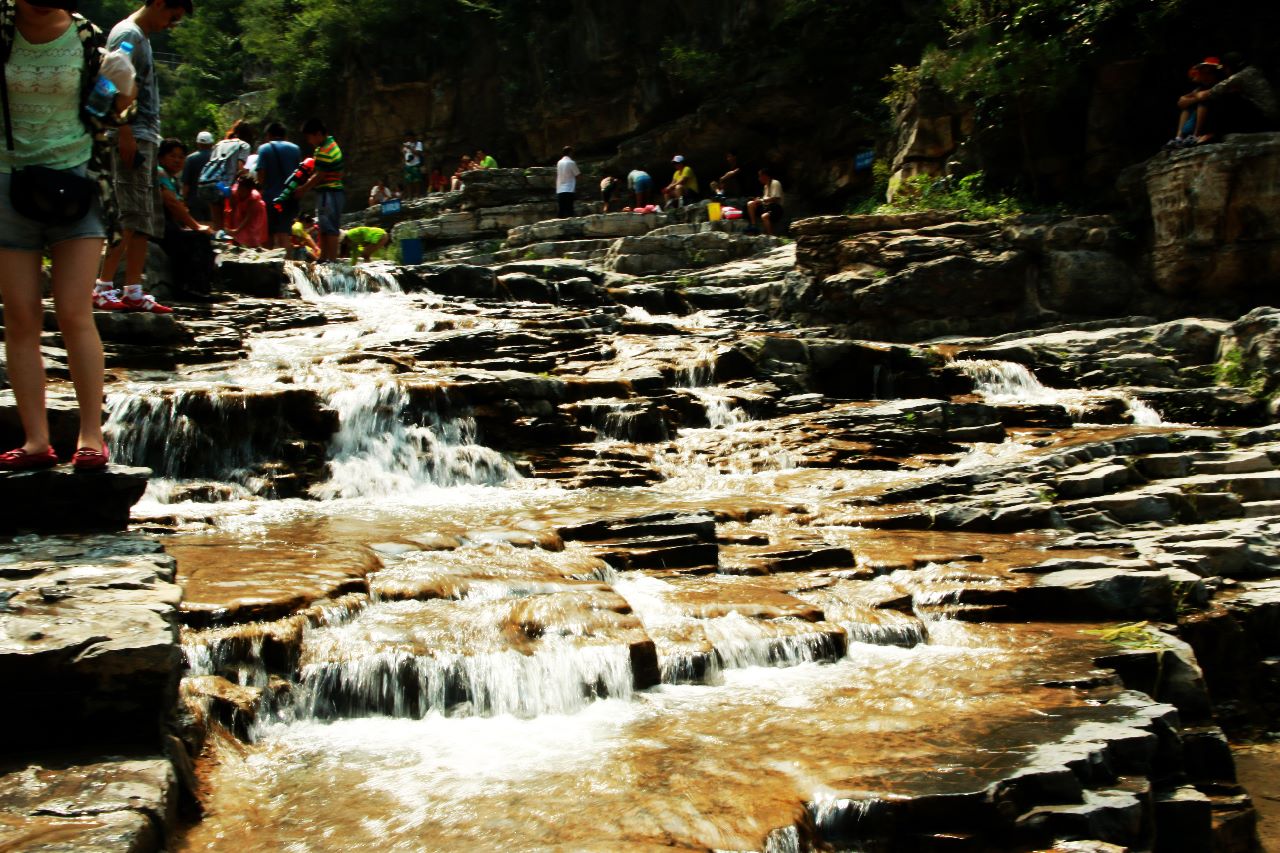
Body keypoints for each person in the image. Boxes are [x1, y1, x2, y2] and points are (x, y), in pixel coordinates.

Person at [0, 0, 128, 471]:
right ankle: (36, 441)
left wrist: (123, 87)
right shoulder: (3, 28)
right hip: (6, 183)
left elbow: (110, 113)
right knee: (20, 317)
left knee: (75, 311)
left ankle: (90, 438)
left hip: (78, 181)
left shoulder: (87, 38)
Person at [93, 0, 190, 315]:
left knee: (144, 217)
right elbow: (109, 79)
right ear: (159, 3)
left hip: (146, 136)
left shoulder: (141, 38)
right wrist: (123, 130)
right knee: (129, 215)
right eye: (172, 17)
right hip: (132, 135)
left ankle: (133, 289)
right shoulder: (128, 35)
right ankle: (103, 288)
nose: (171, 25)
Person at [155, 137, 215, 298]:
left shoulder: (172, 178)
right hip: (158, 226)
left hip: (167, 224)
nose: (177, 160)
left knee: (199, 238)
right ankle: (191, 287)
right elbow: (172, 203)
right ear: (161, 157)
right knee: (196, 238)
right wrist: (196, 226)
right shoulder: (159, 173)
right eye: (172, 156)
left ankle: (199, 287)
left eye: (181, 157)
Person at [1179, 52, 1279, 137]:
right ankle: (1181, 137)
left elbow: (1208, 94)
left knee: (1226, 98)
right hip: (1269, 117)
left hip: (1266, 120)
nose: (1225, 71)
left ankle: (1212, 134)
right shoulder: (1252, 71)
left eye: (1226, 68)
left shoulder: (1240, 77)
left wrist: (1192, 99)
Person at [295, 117, 343, 262]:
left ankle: (332, 260)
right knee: (323, 226)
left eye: (309, 137)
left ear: (317, 134)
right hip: (329, 192)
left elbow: (319, 175)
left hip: (330, 192)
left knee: (330, 227)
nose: (309, 141)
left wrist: (303, 189)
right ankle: (323, 257)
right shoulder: (330, 144)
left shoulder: (325, 150)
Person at [197, 119, 253, 231]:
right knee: (231, 223)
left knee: (217, 223)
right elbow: (240, 168)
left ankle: (217, 244)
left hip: (212, 184)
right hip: (228, 188)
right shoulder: (244, 145)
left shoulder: (219, 144)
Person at [254, 120, 300, 251]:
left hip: (270, 198)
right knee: (284, 234)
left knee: (267, 235)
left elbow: (261, 172)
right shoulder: (295, 149)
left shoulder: (264, 148)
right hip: (289, 199)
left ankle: (269, 267)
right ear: (285, 135)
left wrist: (261, 189)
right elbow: (300, 174)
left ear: (269, 135)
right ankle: (287, 268)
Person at [1167, 59, 1224, 149]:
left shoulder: (1221, 85)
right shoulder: (1201, 87)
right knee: (1187, 108)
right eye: (1203, 73)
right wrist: (1192, 99)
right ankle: (1179, 138)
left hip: (1216, 121)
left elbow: (1201, 97)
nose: (1205, 76)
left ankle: (1196, 135)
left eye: (1209, 73)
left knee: (1202, 103)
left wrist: (1193, 99)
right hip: (1200, 119)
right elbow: (1182, 101)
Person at [181, 129, 213, 222]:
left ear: (198, 144)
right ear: (211, 144)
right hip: (213, 200)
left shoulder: (190, 159)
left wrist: (184, 200)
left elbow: (186, 183)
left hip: (194, 200)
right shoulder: (216, 158)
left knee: (198, 228)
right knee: (213, 227)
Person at [226, 175, 267, 248]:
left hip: (254, 214)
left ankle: (254, 250)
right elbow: (232, 208)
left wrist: (237, 230)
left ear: (249, 190)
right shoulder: (234, 192)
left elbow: (248, 218)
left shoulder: (254, 198)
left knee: (252, 234)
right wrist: (231, 227)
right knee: (236, 232)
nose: (240, 192)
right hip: (240, 210)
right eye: (239, 188)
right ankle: (236, 247)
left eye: (243, 190)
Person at [746, 168, 785, 236]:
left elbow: (776, 198)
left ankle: (770, 235)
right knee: (750, 204)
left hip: (776, 208)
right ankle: (753, 225)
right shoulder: (765, 186)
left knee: (764, 216)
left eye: (760, 176)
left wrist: (762, 200)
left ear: (765, 176)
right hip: (767, 207)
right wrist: (758, 200)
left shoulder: (775, 183)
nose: (759, 178)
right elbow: (765, 199)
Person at [556, 146, 579, 218]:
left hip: (560, 189)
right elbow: (577, 174)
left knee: (561, 210)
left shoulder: (559, 162)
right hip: (569, 188)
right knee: (569, 210)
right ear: (570, 153)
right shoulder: (571, 162)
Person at [401, 130, 423, 198]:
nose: (408, 139)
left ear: (413, 137)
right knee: (408, 181)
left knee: (417, 180)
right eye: (407, 137)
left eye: (409, 137)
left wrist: (410, 148)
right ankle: (410, 196)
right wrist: (404, 162)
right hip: (408, 165)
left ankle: (418, 195)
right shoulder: (406, 144)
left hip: (416, 164)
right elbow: (404, 154)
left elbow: (418, 153)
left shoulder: (418, 143)